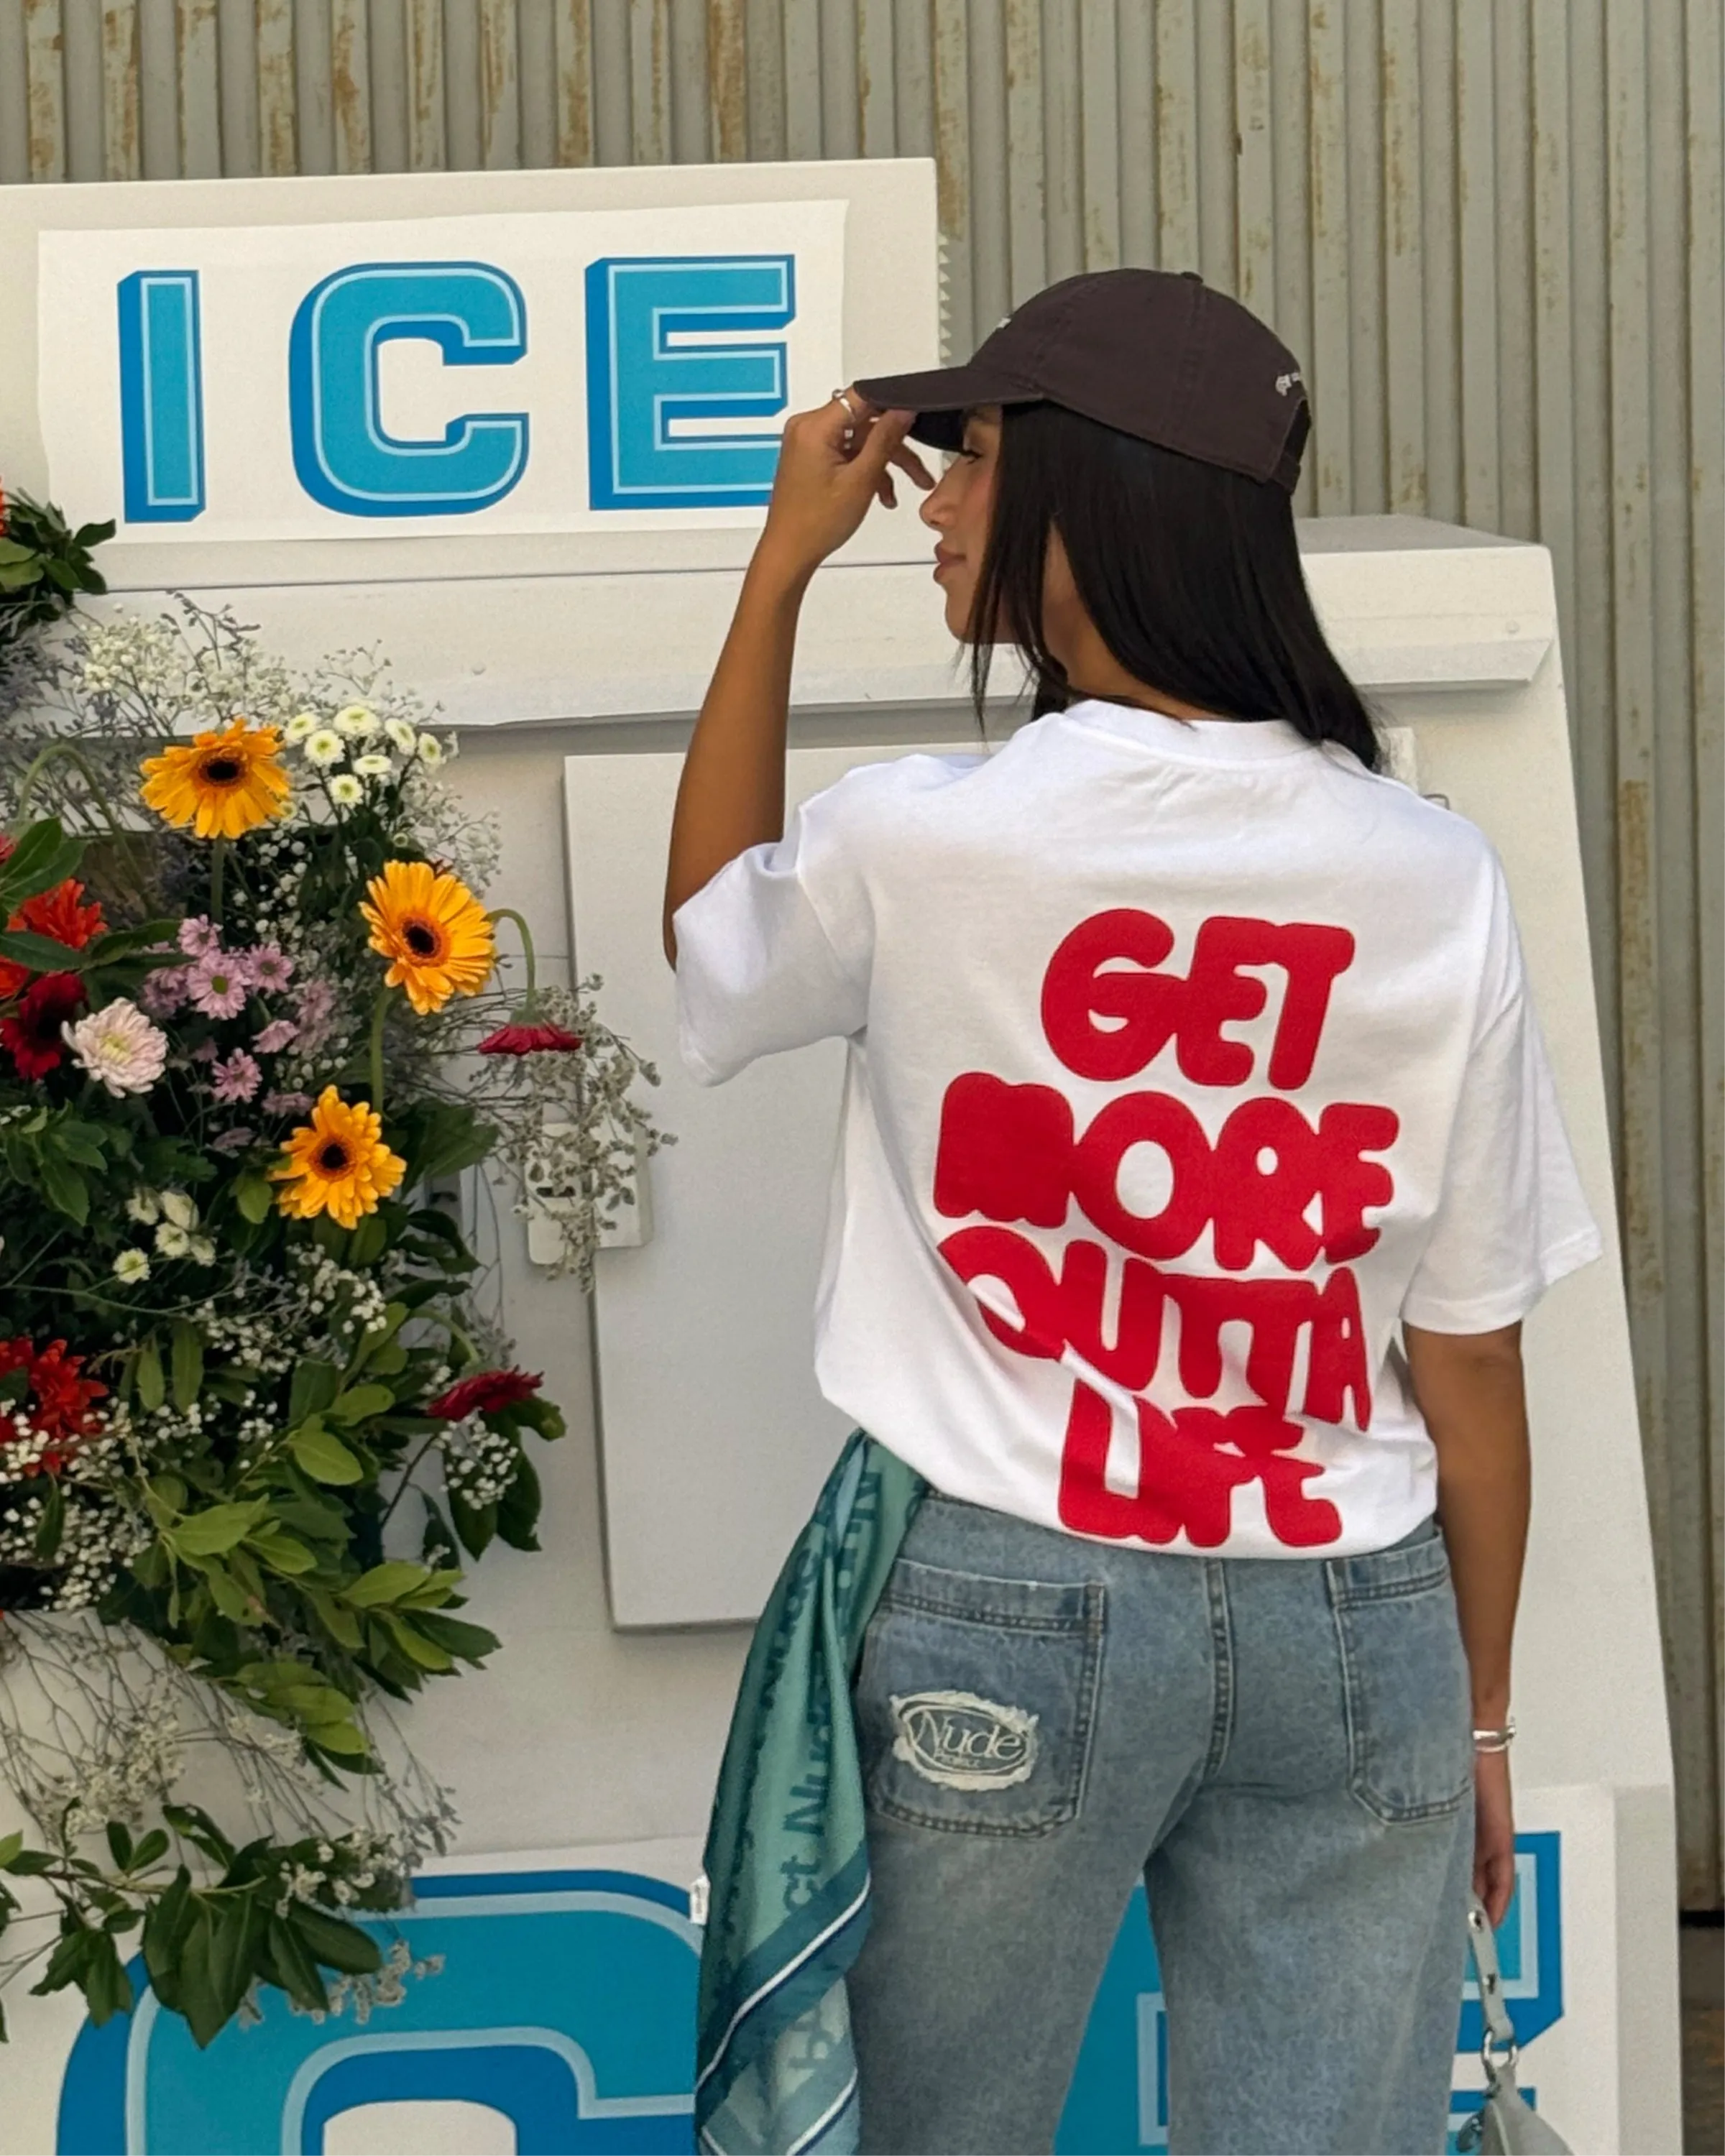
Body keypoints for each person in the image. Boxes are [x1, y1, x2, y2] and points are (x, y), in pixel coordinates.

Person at [663, 268, 1601, 2156]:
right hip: (1362, 1620)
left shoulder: (924, 838)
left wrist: (777, 569)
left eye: (972, 455)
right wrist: (1481, 1719)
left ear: (1102, 498)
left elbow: (712, 959)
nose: (928, 498)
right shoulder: (1431, 872)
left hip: (1014, 1590)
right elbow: (1474, 1356)